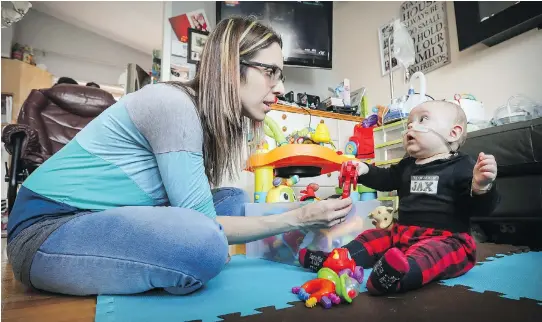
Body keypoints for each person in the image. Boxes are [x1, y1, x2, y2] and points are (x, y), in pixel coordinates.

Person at [6, 17, 353, 296]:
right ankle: (180, 266)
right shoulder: (173, 105)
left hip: (102, 217)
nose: (279, 87)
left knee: (232, 198)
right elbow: (206, 227)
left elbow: (203, 212)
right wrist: (298, 218)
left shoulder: (200, 115)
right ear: (233, 67)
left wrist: (306, 212)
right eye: (271, 72)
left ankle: (171, 263)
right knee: (205, 244)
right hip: (44, 230)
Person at [299, 101, 500, 295]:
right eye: (409, 122)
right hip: (402, 235)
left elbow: (482, 209)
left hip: (446, 240)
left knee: (429, 255)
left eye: (423, 120)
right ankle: (335, 259)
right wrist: (364, 169)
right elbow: (386, 179)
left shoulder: (463, 165)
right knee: (372, 237)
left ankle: (395, 278)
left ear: (452, 133)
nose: (411, 125)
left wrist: (481, 186)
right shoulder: (407, 164)